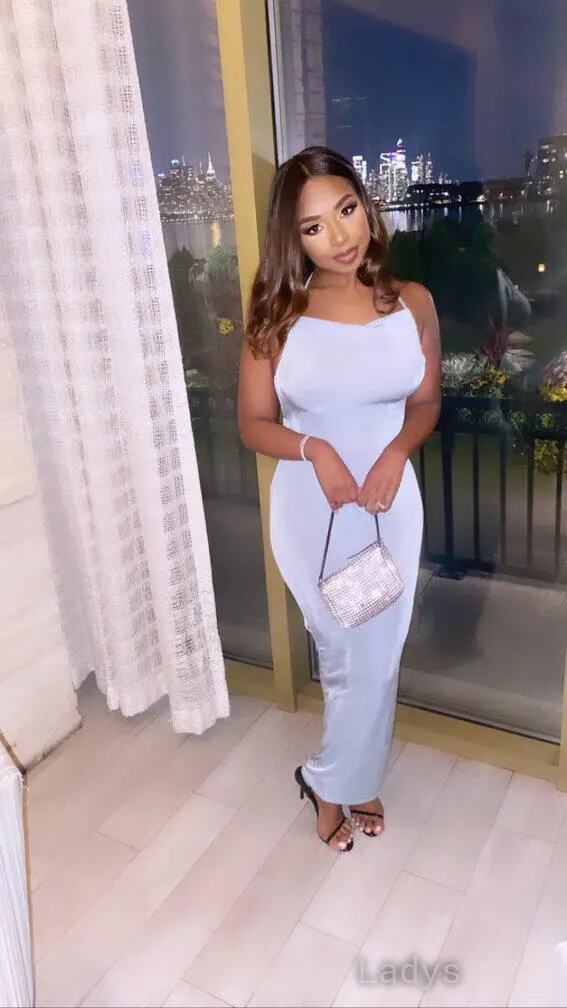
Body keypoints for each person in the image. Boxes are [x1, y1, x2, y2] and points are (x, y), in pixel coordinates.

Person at [238, 147, 441, 852]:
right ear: (292, 239)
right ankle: (336, 780)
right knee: (342, 648)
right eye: (313, 226)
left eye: (346, 209)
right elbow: (253, 423)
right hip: (313, 506)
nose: (340, 235)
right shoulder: (278, 314)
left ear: (366, 204)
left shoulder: (412, 302)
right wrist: (314, 448)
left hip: (390, 502)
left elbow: (425, 401)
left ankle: (345, 774)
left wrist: (395, 452)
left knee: (379, 652)